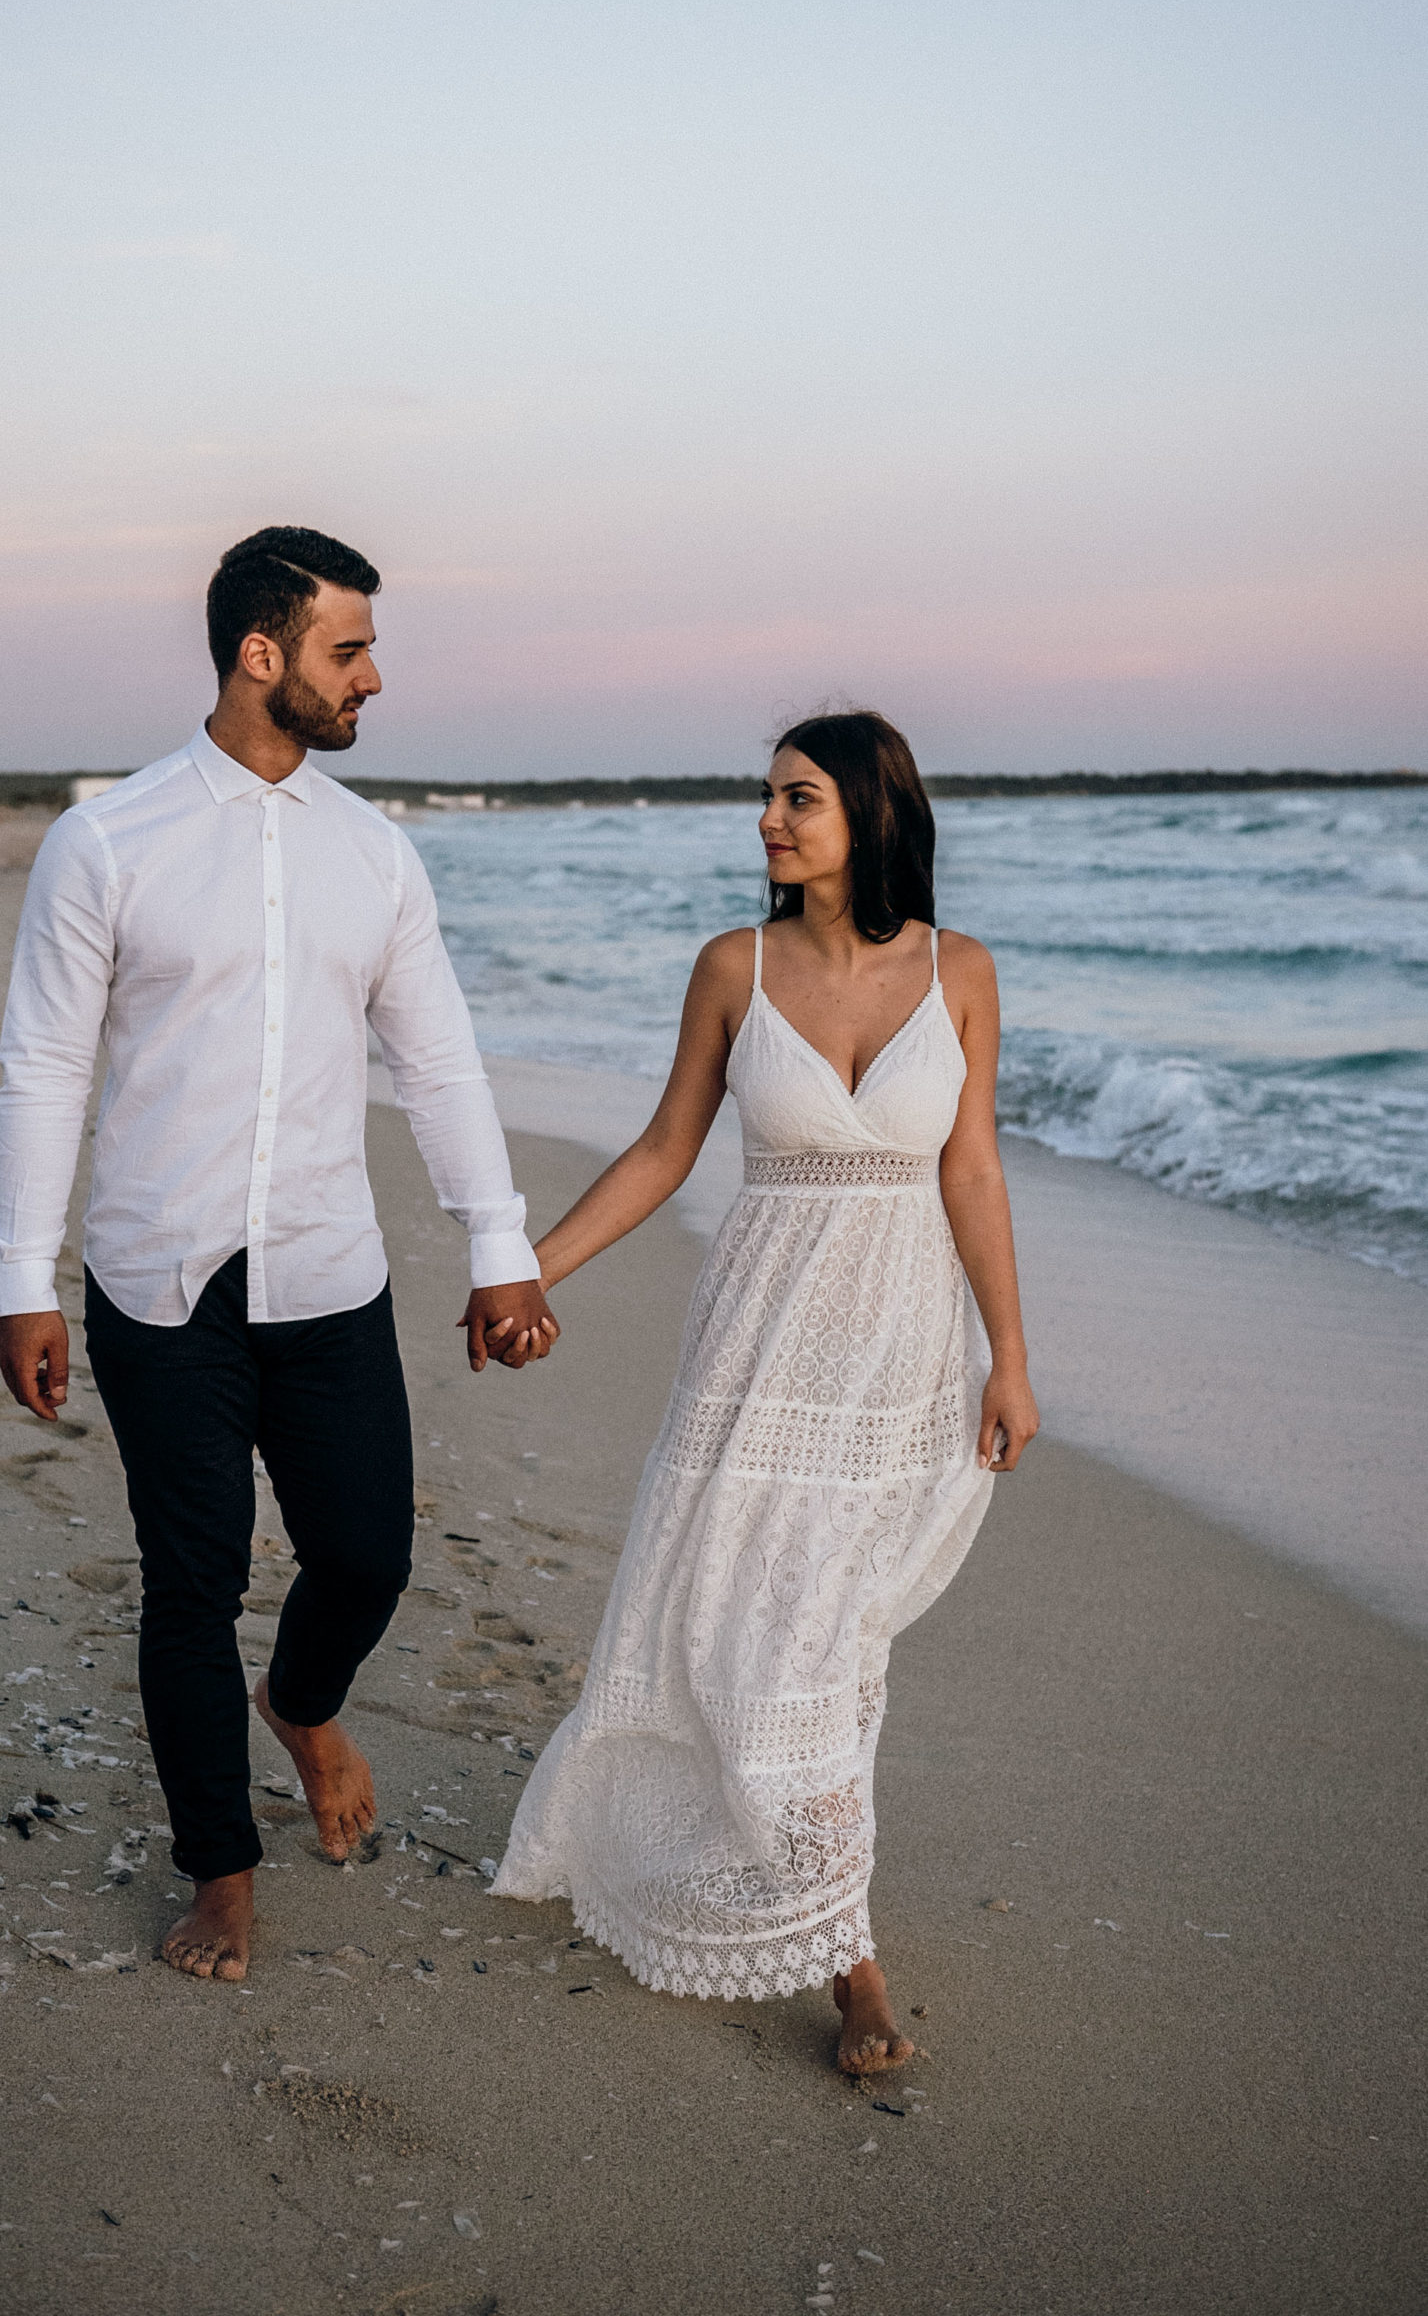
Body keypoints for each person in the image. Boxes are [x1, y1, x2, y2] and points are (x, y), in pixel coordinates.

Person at [0, 525, 559, 1984]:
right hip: (156, 1280)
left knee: (366, 1552)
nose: (376, 675)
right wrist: (21, 1279)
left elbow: (440, 1066)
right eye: (348, 648)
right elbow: (43, 1067)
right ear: (262, 653)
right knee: (191, 1579)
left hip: (326, 1271)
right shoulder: (105, 841)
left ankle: (302, 1703)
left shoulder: (374, 854)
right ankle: (220, 1871)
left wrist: (500, 1247)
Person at [492, 710, 1038, 2074]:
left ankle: (843, 1951)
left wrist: (1010, 1356)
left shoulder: (958, 971)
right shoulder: (732, 967)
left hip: (899, 1365)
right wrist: (523, 1270)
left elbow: (970, 1171)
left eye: (798, 799)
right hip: (758, 1358)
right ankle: (847, 1954)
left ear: (872, 813)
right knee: (756, 1629)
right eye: (767, 798)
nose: (769, 821)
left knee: (833, 1644)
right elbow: (667, 1147)